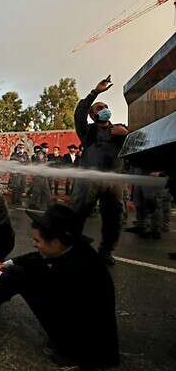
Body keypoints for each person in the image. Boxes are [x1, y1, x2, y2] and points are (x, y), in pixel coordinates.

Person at [0, 204, 119, 369]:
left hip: (84, 347)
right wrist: (6, 265)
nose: (34, 244)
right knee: (27, 268)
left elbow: (30, 281)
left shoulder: (78, 266)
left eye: (37, 240)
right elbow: (35, 257)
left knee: (25, 277)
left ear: (56, 242)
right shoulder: (72, 246)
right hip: (78, 324)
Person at [72, 75, 129, 265]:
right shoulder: (88, 132)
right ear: (92, 115)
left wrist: (126, 133)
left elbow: (138, 138)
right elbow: (78, 113)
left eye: (105, 107)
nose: (104, 110)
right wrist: (95, 92)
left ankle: (106, 251)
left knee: (114, 218)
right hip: (89, 181)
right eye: (99, 108)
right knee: (78, 215)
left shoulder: (120, 132)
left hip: (113, 183)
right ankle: (71, 248)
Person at [29, 146, 52, 210]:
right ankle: (32, 204)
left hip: (43, 176)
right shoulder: (38, 156)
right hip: (39, 176)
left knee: (47, 191)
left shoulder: (44, 156)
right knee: (36, 191)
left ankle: (50, 205)